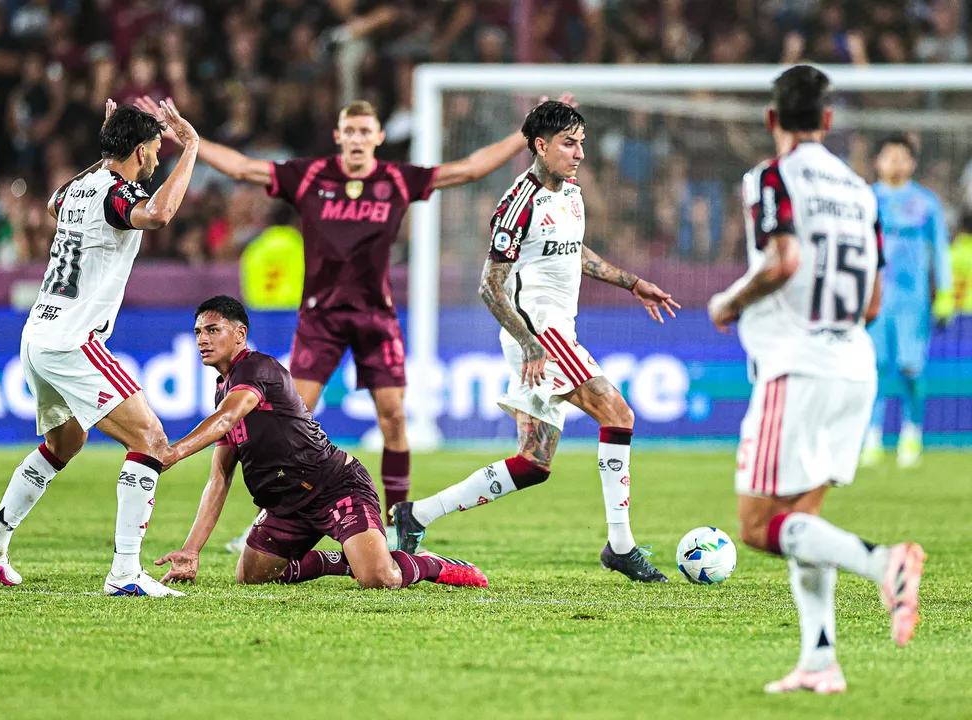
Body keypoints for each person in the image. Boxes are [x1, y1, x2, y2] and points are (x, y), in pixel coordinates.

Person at [134, 94, 566, 528]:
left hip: (375, 317)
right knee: (289, 416)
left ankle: (397, 523)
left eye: (365, 131)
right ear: (339, 136)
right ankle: (275, 518)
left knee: (393, 417)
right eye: (351, 131)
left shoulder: (397, 179)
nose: (358, 138)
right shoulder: (311, 176)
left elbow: (468, 169)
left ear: (378, 137)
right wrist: (190, 140)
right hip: (320, 318)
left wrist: (526, 135)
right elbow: (244, 167)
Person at [391, 101, 680, 582]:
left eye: (581, 143)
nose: (579, 153)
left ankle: (416, 514)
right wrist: (530, 344)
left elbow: (573, 251)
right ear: (541, 146)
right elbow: (490, 286)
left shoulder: (572, 194)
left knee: (533, 464)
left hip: (554, 332)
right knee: (619, 414)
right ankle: (621, 546)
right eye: (569, 143)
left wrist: (632, 283)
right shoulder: (517, 204)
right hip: (539, 332)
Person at [708, 65, 924, 694]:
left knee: (756, 526)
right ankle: (819, 659)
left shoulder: (771, 177)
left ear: (772, 119)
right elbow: (874, 300)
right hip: (854, 365)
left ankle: (884, 563)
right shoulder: (861, 192)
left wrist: (729, 302)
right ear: (828, 120)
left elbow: (784, 261)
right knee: (803, 523)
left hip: (796, 367)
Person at [0, 100, 201, 597]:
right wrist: (192, 148)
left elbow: (54, 204)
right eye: (156, 148)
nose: (159, 156)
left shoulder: (78, 187)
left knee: (64, 444)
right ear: (141, 151)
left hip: (39, 335)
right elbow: (158, 215)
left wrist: (108, 149)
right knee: (151, 440)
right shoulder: (118, 192)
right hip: (74, 341)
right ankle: (126, 574)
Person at [153, 296, 488, 590]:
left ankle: (432, 565)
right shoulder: (223, 391)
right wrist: (191, 549)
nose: (202, 339)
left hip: (334, 488)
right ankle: (346, 560)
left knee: (380, 579)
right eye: (198, 332)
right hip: (285, 505)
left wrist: (174, 452)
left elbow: (226, 418)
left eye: (213, 330)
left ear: (240, 334)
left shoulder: (257, 368)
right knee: (253, 576)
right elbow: (219, 478)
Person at [860, 134, 954, 469]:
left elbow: (940, 249)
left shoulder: (926, 203)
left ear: (912, 163)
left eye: (902, 157)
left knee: (911, 367)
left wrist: (945, 294)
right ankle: (871, 437)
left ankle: (911, 432)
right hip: (875, 297)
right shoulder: (866, 200)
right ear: (878, 162)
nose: (896, 163)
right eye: (890, 156)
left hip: (913, 299)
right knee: (874, 367)